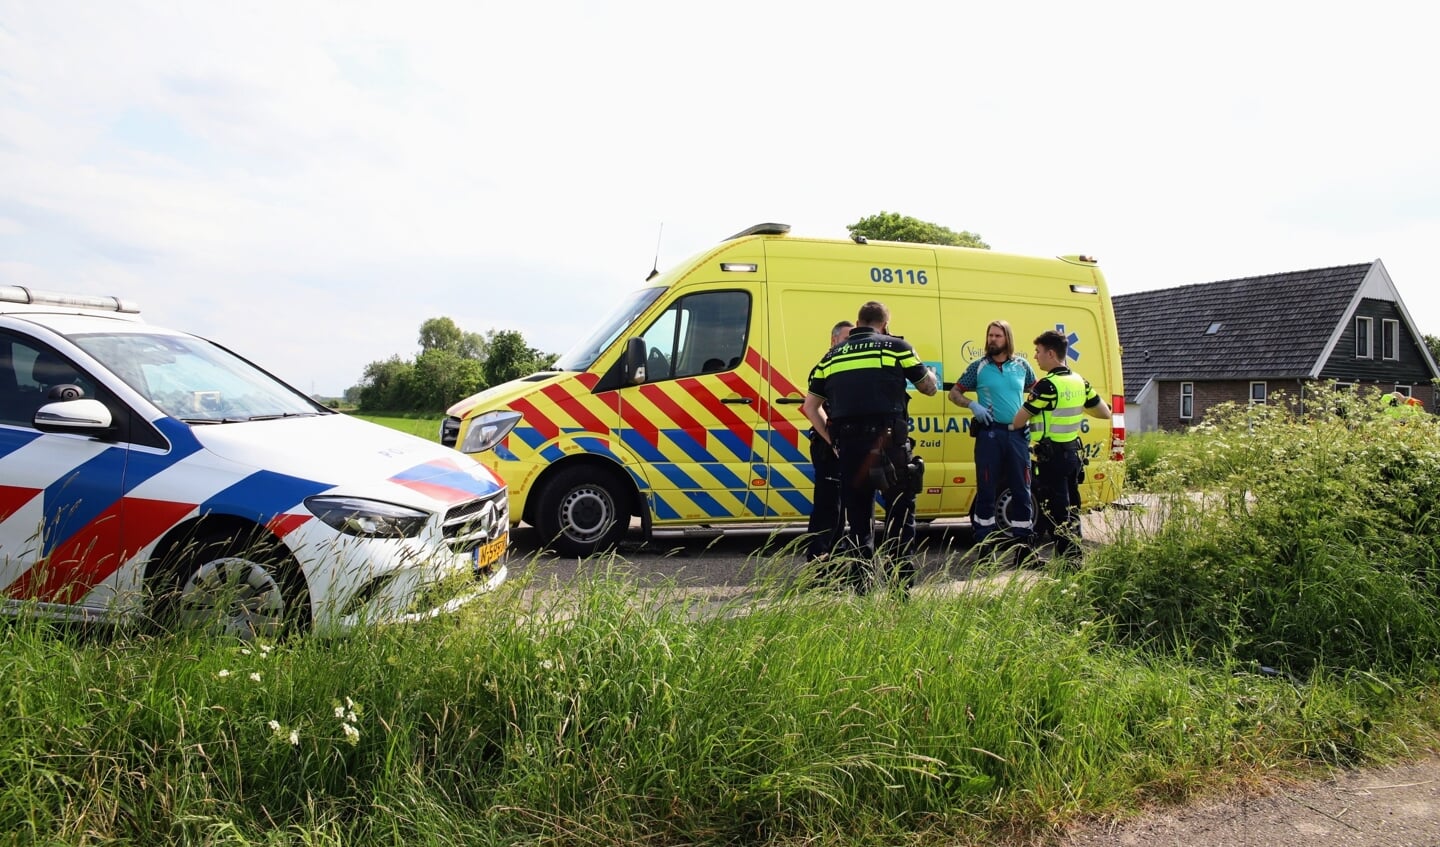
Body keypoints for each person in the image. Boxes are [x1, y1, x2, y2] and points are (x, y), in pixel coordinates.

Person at [802, 301, 937, 592]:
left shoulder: (831, 357)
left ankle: (862, 587)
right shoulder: (896, 347)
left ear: (858, 322)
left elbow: (810, 407)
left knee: (859, 519)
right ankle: (899, 588)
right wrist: (932, 376)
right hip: (890, 445)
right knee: (899, 513)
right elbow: (928, 387)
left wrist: (833, 442)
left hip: (849, 448)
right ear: (885, 324)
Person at [1010, 329, 1111, 560]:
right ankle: (1074, 557)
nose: (1035, 357)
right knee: (1072, 508)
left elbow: (1018, 421)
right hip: (1073, 454)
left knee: (1055, 510)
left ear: (1051, 354)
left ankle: (1068, 563)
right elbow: (1104, 412)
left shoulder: (1046, 386)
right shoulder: (1080, 382)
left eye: (1038, 352)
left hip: (1051, 457)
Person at [949, 319, 1036, 549]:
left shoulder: (1022, 366)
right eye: (990, 335)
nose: (992, 340)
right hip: (990, 435)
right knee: (986, 490)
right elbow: (954, 393)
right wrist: (972, 405)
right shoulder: (978, 366)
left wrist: (1029, 419)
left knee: (1021, 489)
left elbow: (1038, 394)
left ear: (1007, 338)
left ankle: (1023, 545)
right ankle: (984, 545)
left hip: (1017, 435)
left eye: (998, 335)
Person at [804, 320, 853, 565]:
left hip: (848, 447)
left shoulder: (848, 366)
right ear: (833, 340)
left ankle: (834, 560)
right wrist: (834, 443)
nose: (849, 343)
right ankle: (818, 563)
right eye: (846, 338)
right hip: (828, 447)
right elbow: (813, 408)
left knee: (843, 508)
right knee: (828, 508)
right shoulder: (825, 366)